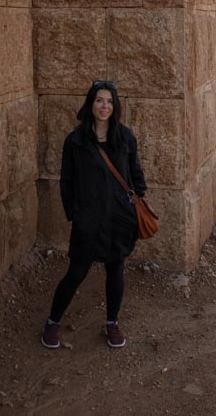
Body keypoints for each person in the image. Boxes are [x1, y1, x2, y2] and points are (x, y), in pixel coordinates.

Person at [41, 80, 147, 350]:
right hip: (88, 220)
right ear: (91, 104)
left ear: (115, 106)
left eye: (110, 101)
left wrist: (132, 204)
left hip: (118, 219)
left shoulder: (125, 138)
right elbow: (67, 181)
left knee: (116, 270)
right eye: (100, 100)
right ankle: (52, 322)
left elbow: (136, 175)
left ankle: (112, 323)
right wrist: (75, 212)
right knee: (76, 272)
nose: (105, 106)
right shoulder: (75, 141)